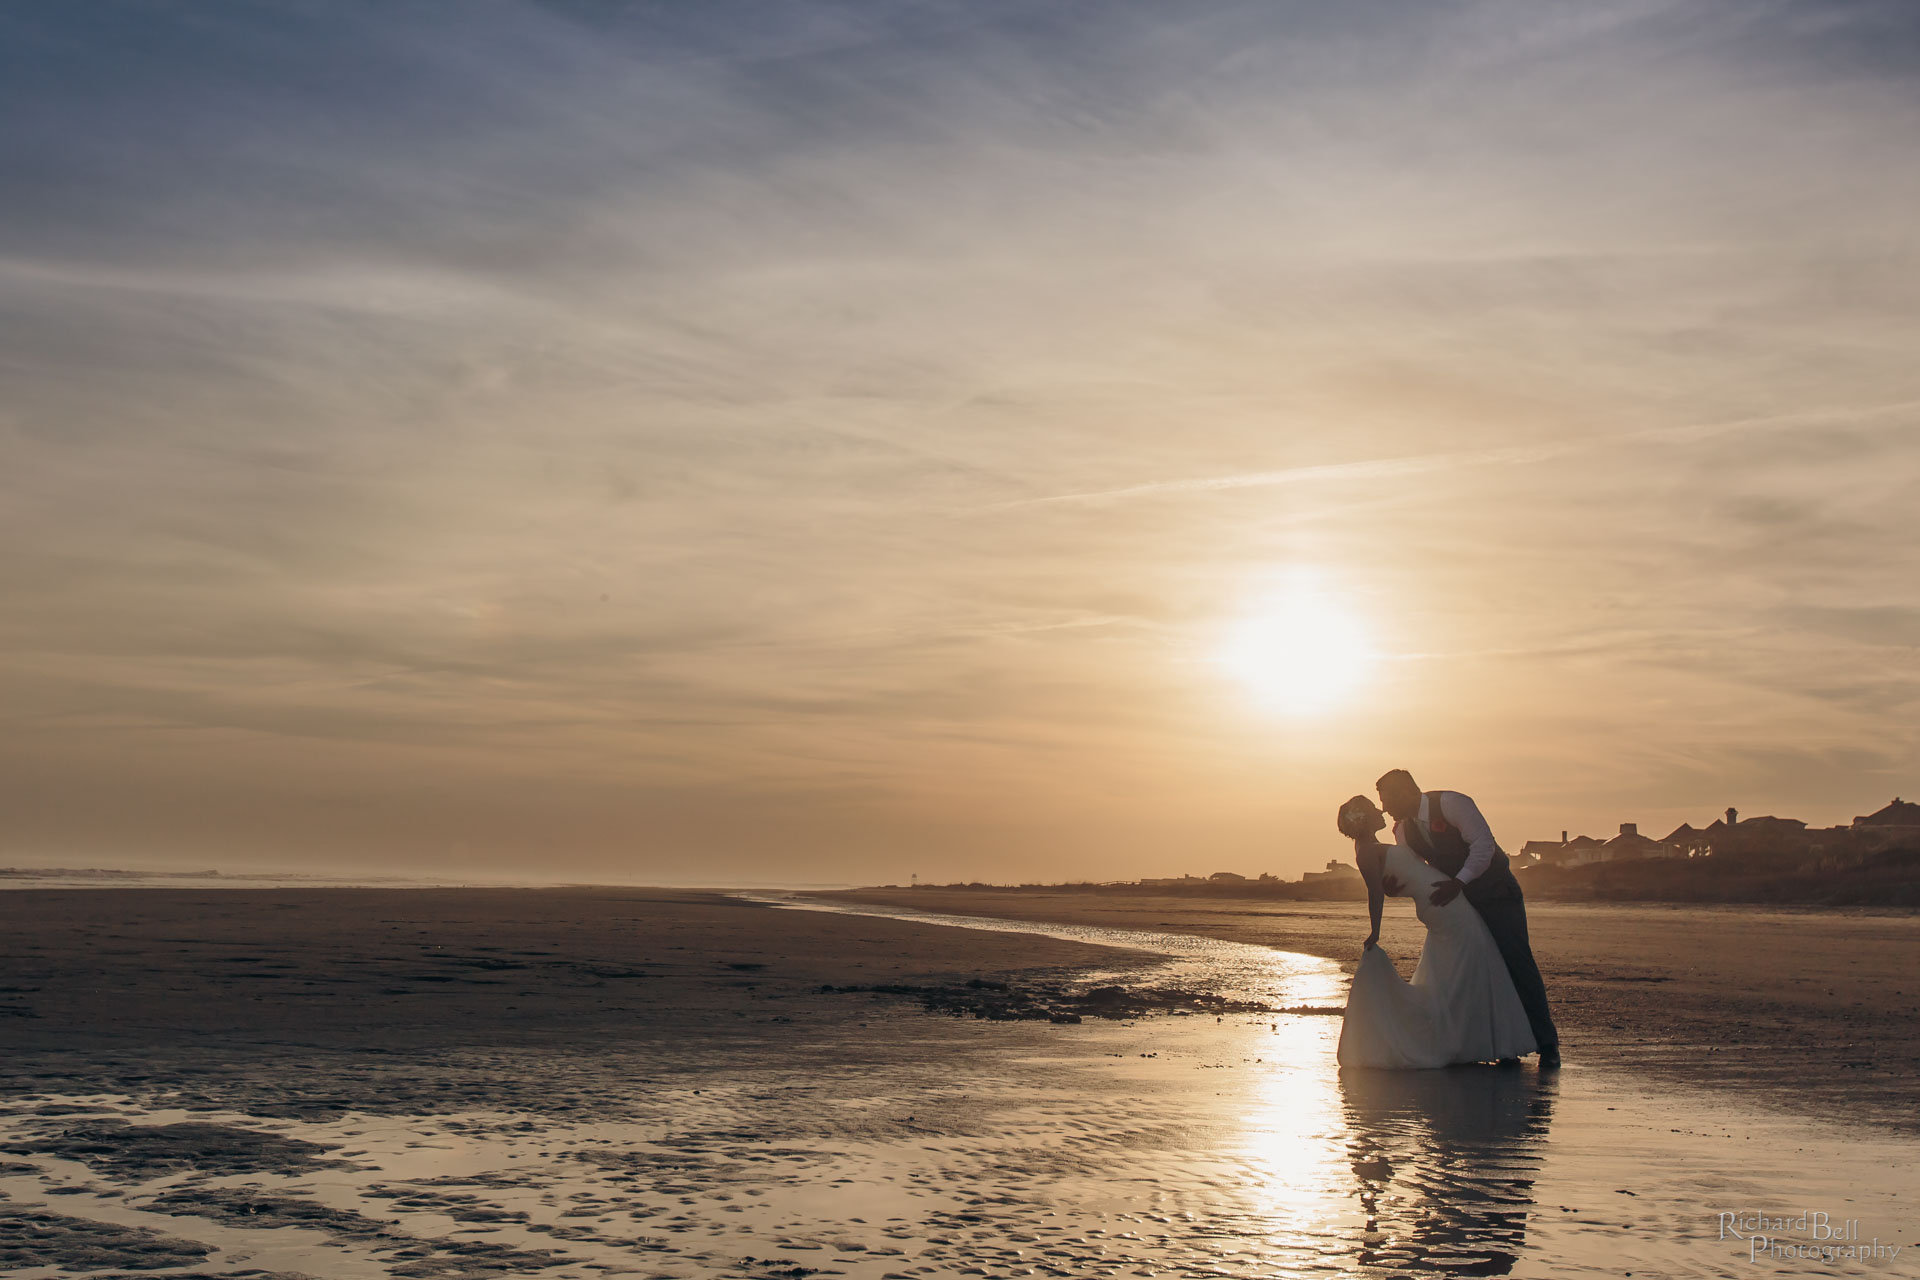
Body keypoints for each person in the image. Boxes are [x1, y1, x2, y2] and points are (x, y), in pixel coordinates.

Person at [1374, 769, 1561, 1068]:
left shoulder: (1453, 804)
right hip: (1458, 904)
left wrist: (1459, 881)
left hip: (1497, 893)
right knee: (1476, 969)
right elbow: (1414, 870)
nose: (1384, 808)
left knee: (1516, 962)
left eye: (1386, 799)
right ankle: (1501, 1045)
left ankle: (1547, 1044)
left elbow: (1484, 846)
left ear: (1406, 791)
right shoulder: (1403, 831)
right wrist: (1394, 888)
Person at [1335, 795, 1538, 1069]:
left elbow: (1397, 878)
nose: (1381, 809)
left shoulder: (1380, 843)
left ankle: (1473, 1040)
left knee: (1459, 971)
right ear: (1363, 819)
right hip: (1445, 907)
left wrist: (1395, 888)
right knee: (1475, 966)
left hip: (1447, 902)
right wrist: (1376, 930)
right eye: (1374, 808)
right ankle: (1481, 1042)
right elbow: (1376, 891)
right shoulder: (1367, 851)